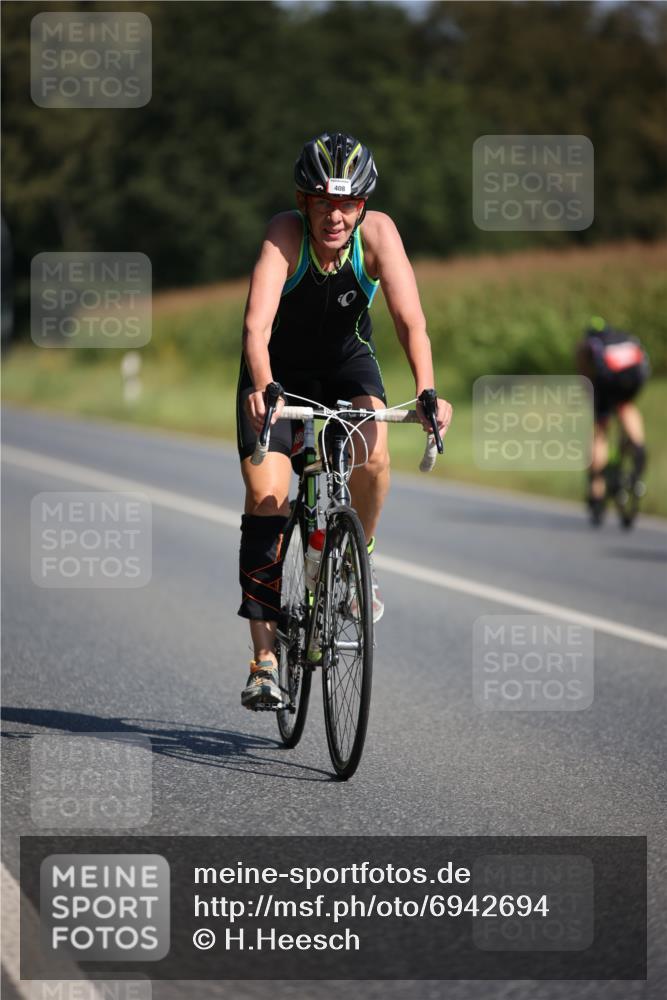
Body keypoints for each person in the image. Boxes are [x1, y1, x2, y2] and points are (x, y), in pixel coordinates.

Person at [235, 131, 452, 709]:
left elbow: (412, 323)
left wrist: (427, 391)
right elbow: (256, 327)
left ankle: (359, 565)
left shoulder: (377, 235)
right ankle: (263, 660)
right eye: (324, 202)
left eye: (348, 203)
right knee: (268, 497)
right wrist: (264, 388)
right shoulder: (285, 233)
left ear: (363, 204)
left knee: (375, 450)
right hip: (275, 376)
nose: (336, 215)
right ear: (305, 202)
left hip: (346, 368)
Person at [576, 316, 649, 524]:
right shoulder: (624, 338)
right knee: (626, 406)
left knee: (599, 430)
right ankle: (638, 445)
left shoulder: (587, 343)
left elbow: (583, 372)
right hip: (635, 378)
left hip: (607, 384)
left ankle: (596, 492)